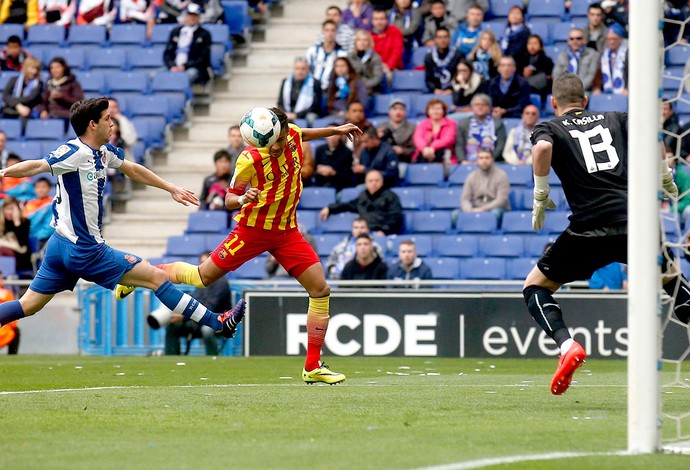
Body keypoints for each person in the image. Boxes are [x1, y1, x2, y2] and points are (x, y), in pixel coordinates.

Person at [118, 107, 362, 384]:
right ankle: (140, 274)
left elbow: (302, 133)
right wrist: (245, 197)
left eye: (280, 141)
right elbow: (229, 199)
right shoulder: (249, 158)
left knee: (320, 289)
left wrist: (335, 130)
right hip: (253, 230)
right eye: (271, 143)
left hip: (286, 231)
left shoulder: (292, 134)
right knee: (202, 277)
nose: (277, 146)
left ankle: (312, 366)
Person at [0, 98, 247, 351]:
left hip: (59, 246)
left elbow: (133, 170)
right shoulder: (75, 152)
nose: (112, 124)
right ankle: (218, 322)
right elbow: (38, 165)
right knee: (157, 277)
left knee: (28, 305)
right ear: (92, 124)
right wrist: (3, 173)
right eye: (107, 119)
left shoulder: (103, 152)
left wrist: (170, 187)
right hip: (85, 249)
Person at [522, 72, 689, 396]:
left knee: (535, 287)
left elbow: (541, 148)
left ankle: (567, 345)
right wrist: (664, 175)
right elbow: (651, 134)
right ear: (585, 102)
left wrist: (540, 194)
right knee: (671, 280)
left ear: (555, 103)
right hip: (636, 223)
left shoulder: (550, 126)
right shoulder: (616, 117)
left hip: (588, 229)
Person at [164, 252, 231, 356]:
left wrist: (184, 317)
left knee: (207, 330)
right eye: (201, 263)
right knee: (172, 325)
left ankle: (213, 359)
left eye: (206, 263)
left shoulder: (221, 283)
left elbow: (210, 306)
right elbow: (195, 300)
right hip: (198, 320)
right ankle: (171, 358)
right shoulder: (201, 282)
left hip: (217, 321)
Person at [320, 168, 403, 235]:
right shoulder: (363, 197)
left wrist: (384, 231)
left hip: (383, 234)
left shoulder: (391, 197)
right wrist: (330, 208)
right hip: (364, 234)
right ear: (366, 183)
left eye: (377, 180)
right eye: (370, 181)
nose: (374, 183)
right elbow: (347, 205)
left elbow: (395, 218)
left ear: (382, 182)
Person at [163, 3, 212, 84]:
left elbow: (203, 58)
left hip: (194, 68)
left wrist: (185, 66)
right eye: (190, 15)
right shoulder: (175, 32)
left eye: (195, 15)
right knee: (155, 76)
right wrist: (171, 65)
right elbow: (167, 53)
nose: (192, 18)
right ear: (185, 16)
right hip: (174, 66)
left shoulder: (204, 34)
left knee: (186, 76)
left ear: (199, 17)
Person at [460, 148, 510, 220]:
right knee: (455, 215)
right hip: (475, 208)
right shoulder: (471, 176)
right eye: (481, 158)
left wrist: (483, 209)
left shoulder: (501, 175)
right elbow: (465, 199)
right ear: (477, 160)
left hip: (496, 209)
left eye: (487, 158)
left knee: (494, 214)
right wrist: (469, 210)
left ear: (492, 159)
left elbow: (501, 200)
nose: (484, 161)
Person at [455, 93, 506, 163]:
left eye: (483, 105)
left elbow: (500, 145)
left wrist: (488, 160)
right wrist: (463, 160)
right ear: (472, 107)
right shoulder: (464, 123)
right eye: (477, 105)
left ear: (489, 108)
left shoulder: (498, 123)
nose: (480, 107)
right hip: (468, 162)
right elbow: (459, 145)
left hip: (492, 162)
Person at [552, 27, 601, 93]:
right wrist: (564, 89)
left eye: (578, 38)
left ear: (584, 40)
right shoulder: (562, 56)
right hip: (565, 92)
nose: (575, 41)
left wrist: (577, 90)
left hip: (584, 91)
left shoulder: (593, 54)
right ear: (568, 41)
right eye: (572, 39)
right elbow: (556, 75)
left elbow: (591, 75)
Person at [277, 57, 323, 126]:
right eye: (297, 68)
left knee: (311, 117)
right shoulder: (285, 82)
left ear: (308, 70)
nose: (300, 71)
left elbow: (315, 106)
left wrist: (297, 115)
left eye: (303, 69)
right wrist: (286, 114)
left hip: (306, 114)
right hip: (288, 113)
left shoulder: (315, 83)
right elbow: (280, 102)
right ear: (294, 69)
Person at [306, 19, 348, 92]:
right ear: (322, 32)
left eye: (332, 30)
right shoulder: (312, 51)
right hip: (312, 89)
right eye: (327, 30)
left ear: (336, 32)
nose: (330, 33)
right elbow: (307, 69)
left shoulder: (342, 53)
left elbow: (343, 75)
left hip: (330, 90)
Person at [39, 57, 85, 122]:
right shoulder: (48, 83)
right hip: (50, 115)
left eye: (57, 67)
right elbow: (42, 101)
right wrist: (43, 110)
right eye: (52, 68)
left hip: (65, 116)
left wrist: (62, 97)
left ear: (64, 68)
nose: (55, 70)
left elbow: (79, 102)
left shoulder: (73, 83)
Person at [413, 97, 457, 164]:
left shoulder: (451, 124)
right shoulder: (422, 124)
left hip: (445, 155)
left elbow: (449, 139)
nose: (435, 111)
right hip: (424, 154)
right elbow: (417, 138)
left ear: (443, 111)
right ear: (428, 111)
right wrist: (424, 148)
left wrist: (433, 147)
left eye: (438, 109)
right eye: (432, 109)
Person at [313, 123, 355, 191]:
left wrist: (333, 173)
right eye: (329, 135)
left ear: (340, 135)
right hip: (320, 185)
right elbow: (314, 168)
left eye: (334, 134)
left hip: (339, 187)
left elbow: (348, 174)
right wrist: (319, 170)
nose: (332, 137)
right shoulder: (320, 149)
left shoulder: (347, 152)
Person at [424, 27, 464, 95]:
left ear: (449, 39)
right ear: (435, 40)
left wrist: (453, 89)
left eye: (445, 37)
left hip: (455, 92)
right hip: (436, 92)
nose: (443, 40)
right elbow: (428, 78)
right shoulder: (429, 57)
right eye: (439, 37)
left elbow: (462, 75)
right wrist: (435, 89)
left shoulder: (458, 55)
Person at [2, 56, 42, 120]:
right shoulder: (14, 80)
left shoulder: (38, 84)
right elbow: (5, 96)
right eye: (32, 68)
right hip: (11, 109)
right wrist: (18, 106)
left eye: (36, 69)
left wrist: (15, 102)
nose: (34, 71)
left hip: (28, 110)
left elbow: (30, 98)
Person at [377, 98, 416, 164]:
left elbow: (414, 148)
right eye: (395, 109)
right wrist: (378, 138)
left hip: (403, 160)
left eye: (401, 109)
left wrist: (403, 151)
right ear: (389, 112)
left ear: (405, 113)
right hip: (384, 160)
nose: (398, 112)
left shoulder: (412, 128)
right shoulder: (381, 127)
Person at [370, 8, 404, 85]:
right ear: (372, 21)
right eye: (376, 19)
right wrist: (379, 67)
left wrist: (388, 66)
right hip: (374, 69)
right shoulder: (368, 34)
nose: (379, 22)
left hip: (393, 68)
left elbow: (397, 51)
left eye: (382, 19)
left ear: (386, 20)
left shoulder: (395, 31)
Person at [593, 24, 628, 96]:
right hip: (607, 90)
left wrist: (627, 88)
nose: (611, 42)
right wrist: (597, 88)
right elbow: (598, 74)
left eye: (614, 39)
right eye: (609, 39)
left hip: (623, 91)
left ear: (621, 39)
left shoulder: (627, 54)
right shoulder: (604, 54)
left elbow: (631, 73)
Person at [515, 34, 553, 100]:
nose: (532, 46)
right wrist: (523, 74)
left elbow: (549, 76)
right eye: (529, 43)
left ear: (540, 46)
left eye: (535, 43)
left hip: (541, 90)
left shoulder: (547, 60)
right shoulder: (520, 60)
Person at [0, 197, 31, 275]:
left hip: (21, 258)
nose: (10, 212)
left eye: (12, 209)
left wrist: (17, 222)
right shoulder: (2, 224)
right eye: (7, 209)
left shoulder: (25, 223)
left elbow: (23, 246)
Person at [348, 29, 384, 95]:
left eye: (365, 40)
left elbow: (377, 78)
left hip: (370, 90)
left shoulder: (375, 57)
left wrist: (362, 84)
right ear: (355, 42)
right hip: (352, 89)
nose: (362, 43)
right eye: (359, 40)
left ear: (369, 42)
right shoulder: (350, 57)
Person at [0, 273, 18, 354]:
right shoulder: (5, 293)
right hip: (4, 326)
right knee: (16, 331)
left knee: (15, 331)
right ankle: (12, 355)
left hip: (4, 327)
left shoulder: (6, 293)